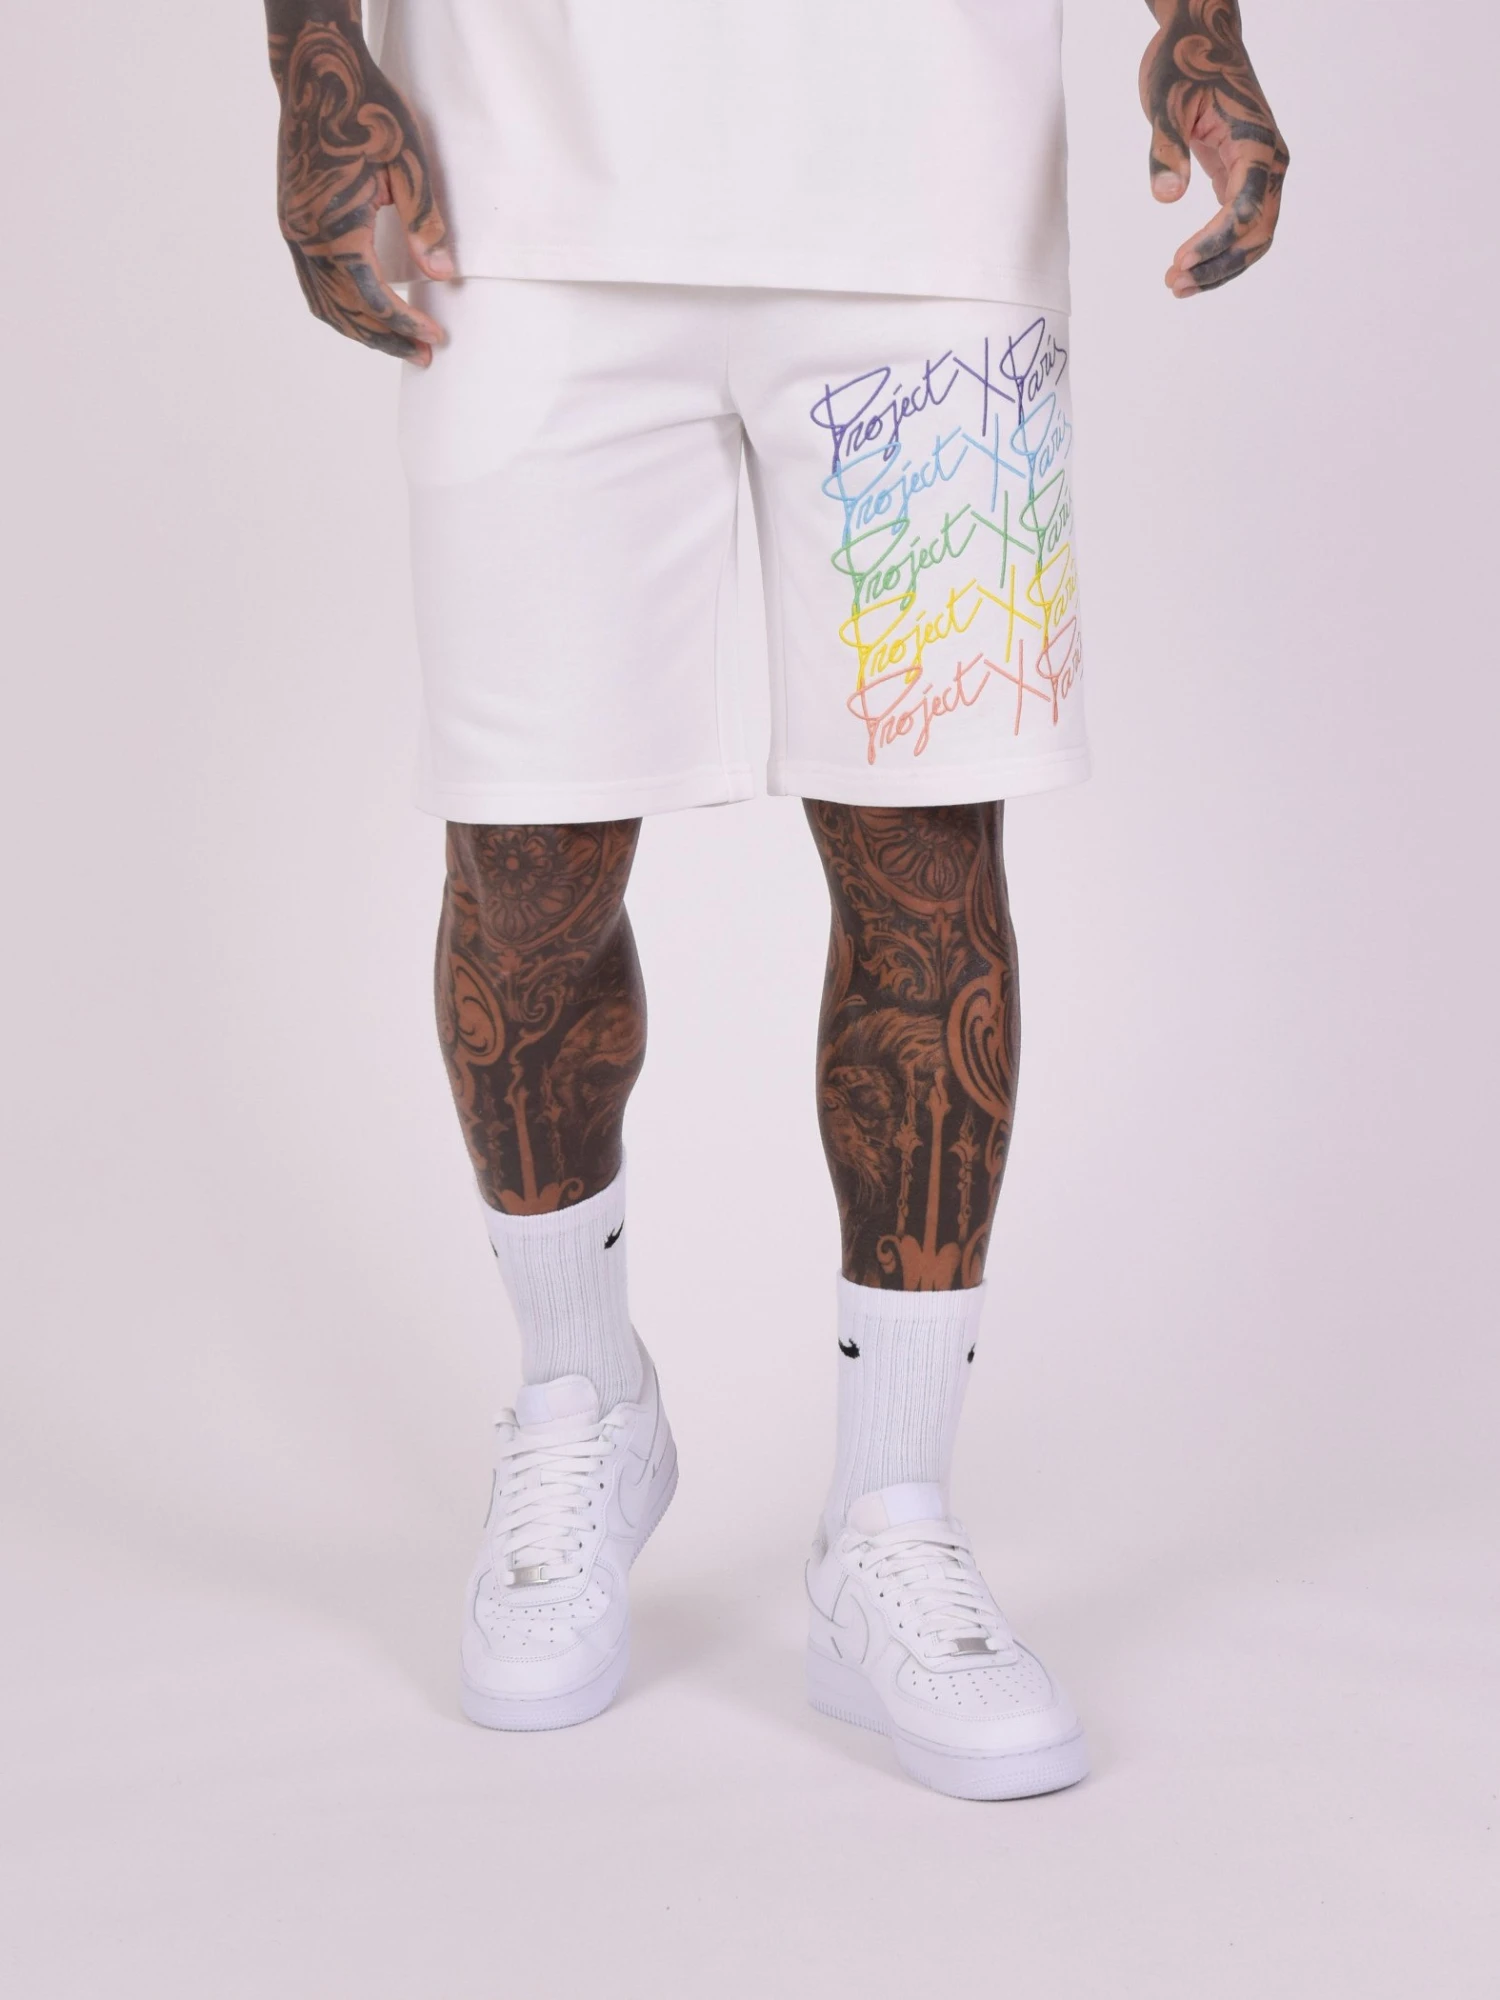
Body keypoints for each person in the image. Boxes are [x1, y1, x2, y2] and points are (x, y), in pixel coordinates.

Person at [264, 0, 1288, 1799]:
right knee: (524, 866)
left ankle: (888, 1520)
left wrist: (1198, 28)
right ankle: (585, 1397)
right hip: (513, 190)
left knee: (928, 873)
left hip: (930, 197)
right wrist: (312, 60)